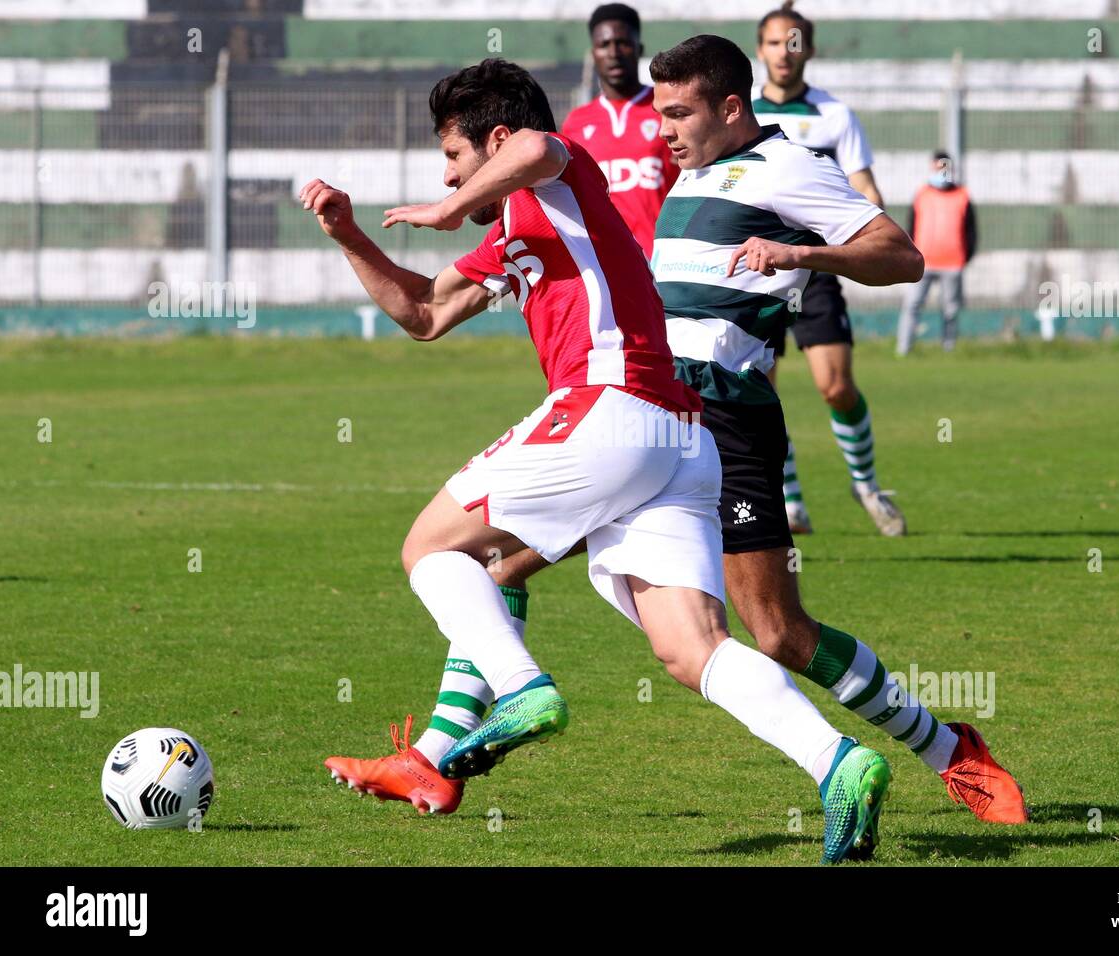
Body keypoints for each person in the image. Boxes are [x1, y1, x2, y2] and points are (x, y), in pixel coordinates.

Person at [406, 41, 1029, 832]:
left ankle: (950, 752)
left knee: (780, 632)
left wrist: (800, 253)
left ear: (731, 108)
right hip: (654, 409)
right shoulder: (689, 174)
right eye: (659, 112)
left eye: (678, 113)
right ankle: (435, 758)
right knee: (496, 562)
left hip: (725, 417)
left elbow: (901, 255)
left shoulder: (788, 167)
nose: (661, 130)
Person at [308, 58, 893, 864]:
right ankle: (841, 763)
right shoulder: (518, 228)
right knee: (691, 648)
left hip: (611, 407)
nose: (446, 172)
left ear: (496, 141)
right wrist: (348, 234)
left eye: (452, 154)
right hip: (680, 443)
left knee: (429, 548)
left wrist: (450, 206)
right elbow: (423, 310)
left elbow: (543, 147)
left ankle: (521, 692)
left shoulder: (562, 175)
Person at [752, 2, 904, 537]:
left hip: (814, 270)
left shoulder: (834, 115)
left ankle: (865, 483)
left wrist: (873, 229)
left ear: (808, 51)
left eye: (794, 43)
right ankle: (791, 502)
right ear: (760, 49)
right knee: (759, 391)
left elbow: (863, 186)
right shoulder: (740, 112)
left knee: (835, 386)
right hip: (755, 273)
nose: (784, 54)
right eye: (774, 42)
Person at [561, 4, 678, 258]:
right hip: (606, 265)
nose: (613, 53)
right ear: (593, 53)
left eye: (623, 43)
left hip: (664, 260)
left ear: (639, 49)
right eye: (604, 45)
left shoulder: (668, 107)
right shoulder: (576, 123)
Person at [897, 150, 977, 355]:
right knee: (912, 305)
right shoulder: (922, 194)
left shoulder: (962, 195)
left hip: (952, 262)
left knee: (950, 309)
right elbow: (911, 226)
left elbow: (971, 230)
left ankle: (948, 349)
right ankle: (904, 349)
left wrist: (965, 257)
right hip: (923, 262)